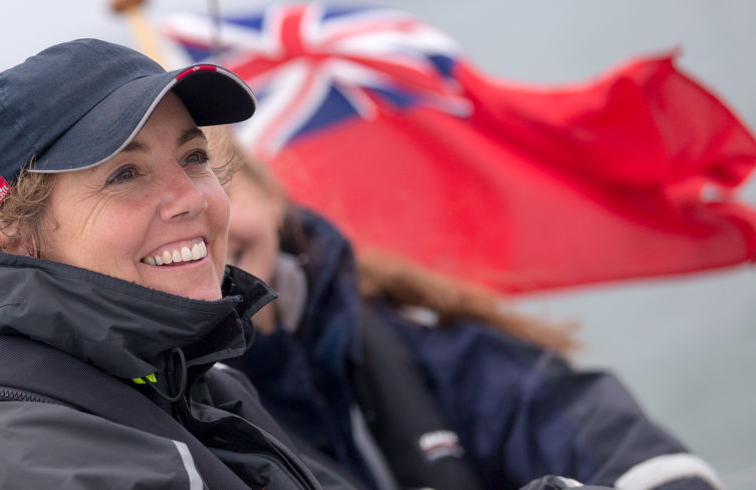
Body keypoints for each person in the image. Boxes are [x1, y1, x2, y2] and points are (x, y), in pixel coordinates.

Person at [0, 38, 358, 489]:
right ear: (14, 238)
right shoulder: (27, 460)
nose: (191, 198)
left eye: (193, 157)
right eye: (125, 174)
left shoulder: (198, 383)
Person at [219, 131, 723, 490]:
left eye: (220, 182)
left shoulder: (430, 346)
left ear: (271, 197)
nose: (209, 227)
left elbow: (606, 438)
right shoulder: (170, 420)